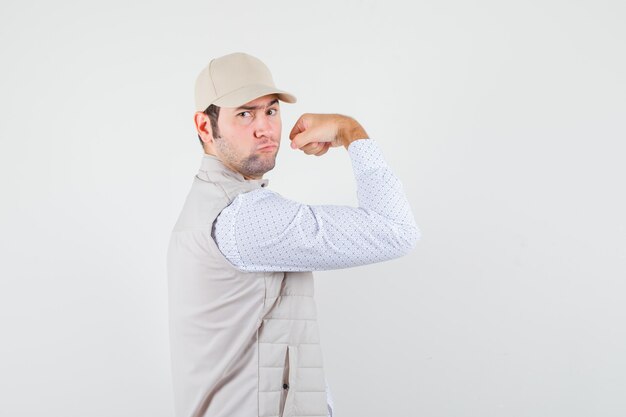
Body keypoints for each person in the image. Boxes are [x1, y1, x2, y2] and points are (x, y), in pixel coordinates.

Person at [167, 52, 420, 417]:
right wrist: (350, 132)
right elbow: (396, 230)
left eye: (270, 111)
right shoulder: (243, 219)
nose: (264, 128)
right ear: (205, 127)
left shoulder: (207, 206)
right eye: (244, 113)